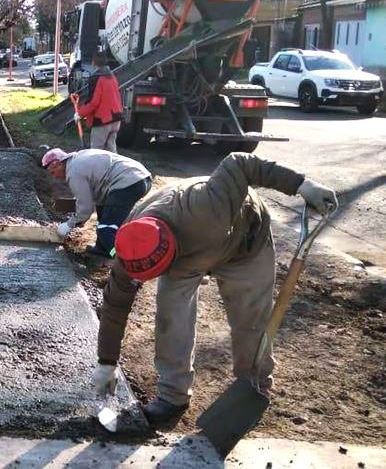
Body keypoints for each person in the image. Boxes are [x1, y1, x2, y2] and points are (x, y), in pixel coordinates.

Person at [90, 153, 337, 426]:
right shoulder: (130, 247)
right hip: (187, 253)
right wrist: (106, 363)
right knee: (171, 319)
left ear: (171, 254)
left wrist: (302, 185)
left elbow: (240, 163)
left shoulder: (207, 205)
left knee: (250, 321)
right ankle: (173, 396)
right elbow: (115, 306)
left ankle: (253, 386)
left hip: (244, 243)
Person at [42, 148, 151, 258]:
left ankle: (120, 258)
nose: (55, 177)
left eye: (53, 172)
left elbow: (86, 208)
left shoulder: (74, 172)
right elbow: (92, 197)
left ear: (57, 164)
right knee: (103, 219)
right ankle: (103, 249)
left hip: (127, 182)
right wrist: (80, 218)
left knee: (106, 229)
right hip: (138, 177)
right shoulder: (78, 159)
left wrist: (70, 224)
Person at [70, 51, 124, 153]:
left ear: (93, 63)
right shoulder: (111, 76)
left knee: (96, 153)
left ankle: (96, 169)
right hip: (116, 118)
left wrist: (79, 114)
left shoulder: (96, 78)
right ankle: (112, 168)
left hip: (103, 120)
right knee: (111, 151)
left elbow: (93, 102)